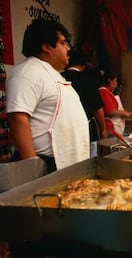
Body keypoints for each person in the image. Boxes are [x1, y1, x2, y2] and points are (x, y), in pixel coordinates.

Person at [6, 19, 89, 173]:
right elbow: (17, 117)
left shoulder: (53, 74)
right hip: (45, 164)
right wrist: (33, 166)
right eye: (63, 43)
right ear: (46, 47)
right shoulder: (27, 72)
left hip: (65, 162)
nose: (68, 48)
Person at [61, 51, 108, 157]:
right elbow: (97, 108)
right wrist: (103, 129)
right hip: (87, 130)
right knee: (89, 162)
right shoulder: (87, 80)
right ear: (83, 65)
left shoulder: (59, 78)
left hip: (63, 131)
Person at [99, 70, 132, 136]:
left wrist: (126, 112)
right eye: (115, 81)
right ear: (109, 81)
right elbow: (110, 112)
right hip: (111, 127)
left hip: (116, 128)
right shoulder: (103, 92)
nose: (116, 83)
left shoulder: (108, 92)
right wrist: (125, 113)